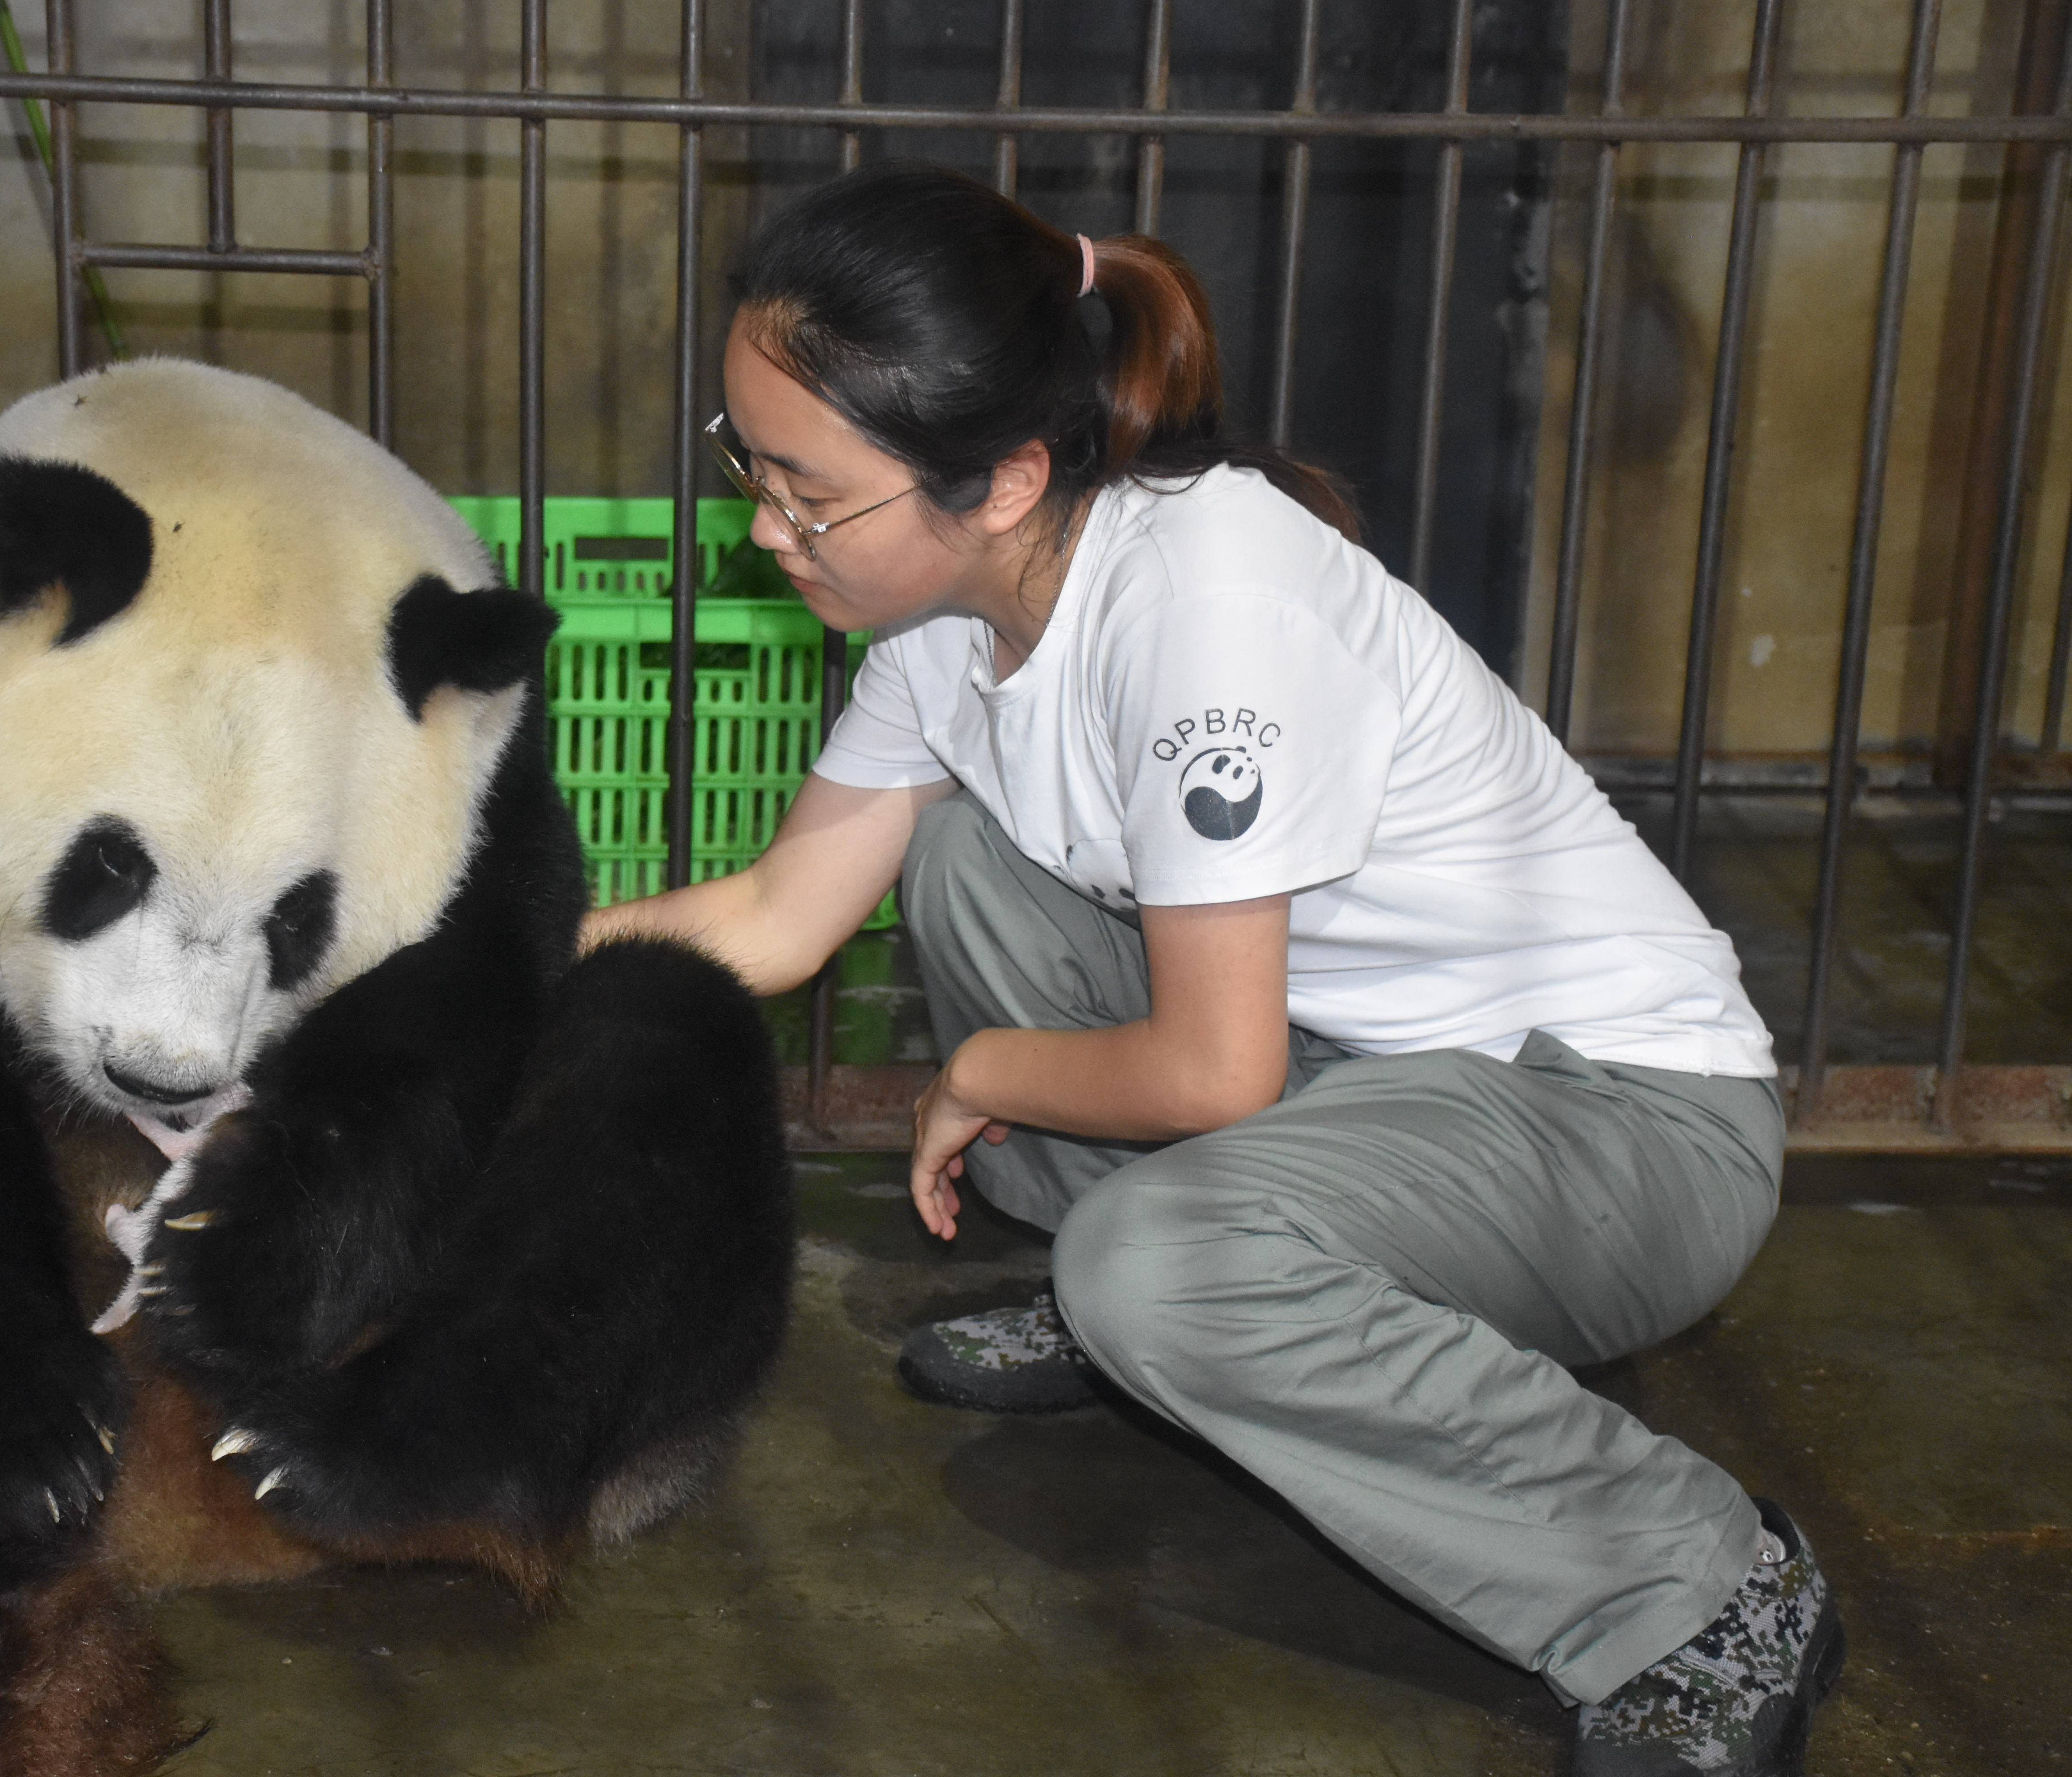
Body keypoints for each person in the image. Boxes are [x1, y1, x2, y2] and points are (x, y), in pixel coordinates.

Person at [582, 163, 1844, 1775]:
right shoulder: (946, 622)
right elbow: (775, 913)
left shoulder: (1209, 609)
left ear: (1007, 479)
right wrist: (444, 970)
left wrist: (976, 1074)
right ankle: (1192, 1301)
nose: (770, 530)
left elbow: (1210, 1073)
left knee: (1160, 1270)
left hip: (1625, 1123)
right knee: (969, 864)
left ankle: (1701, 1584)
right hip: (1372, 1074)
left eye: (812, 494)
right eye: (749, 467)